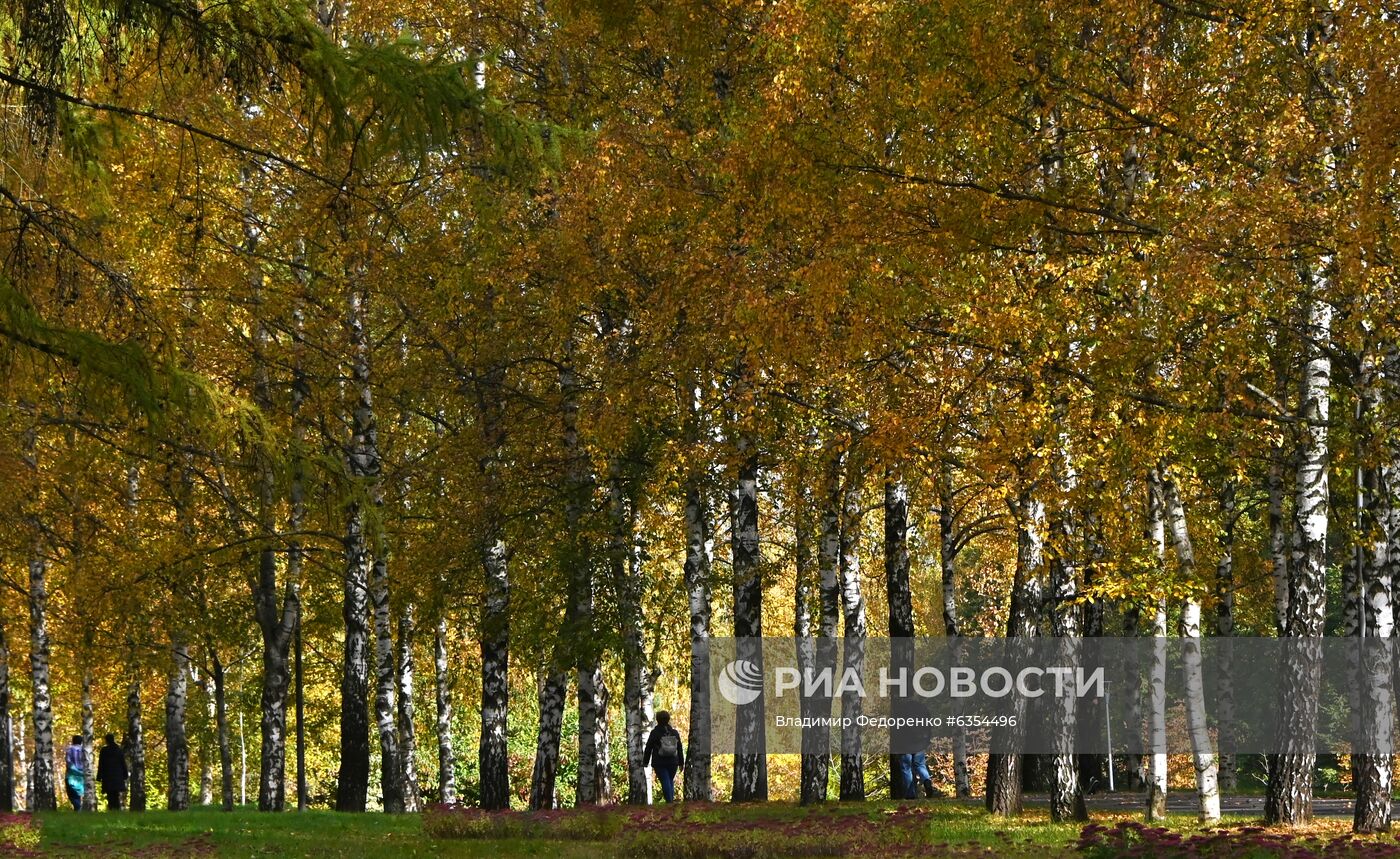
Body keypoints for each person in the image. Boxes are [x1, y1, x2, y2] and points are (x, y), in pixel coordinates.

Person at [642, 710, 684, 802]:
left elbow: (648, 747)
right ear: (668, 719)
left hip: (659, 762)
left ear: (657, 720)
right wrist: (681, 762)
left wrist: (645, 761)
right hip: (673, 761)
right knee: (669, 780)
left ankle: (669, 802)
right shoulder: (674, 733)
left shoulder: (655, 733)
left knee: (665, 780)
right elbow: (680, 748)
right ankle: (670, 801)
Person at [97, 733, 129, 811]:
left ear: (106, 740)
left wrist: (99, 776)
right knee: (116, 793)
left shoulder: (104, 750)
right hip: (118, 775)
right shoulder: (118, 750)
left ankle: (112, 808)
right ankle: (116, 808)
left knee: (110, 793)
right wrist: (125, 773)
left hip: (108, 775)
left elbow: (101, 763)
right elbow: (123, 763)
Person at [64, 735, 87, 811]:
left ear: (73, 741)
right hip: (82, 776)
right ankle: (78, 810)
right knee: (78, 793)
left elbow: (68, 762)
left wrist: (75, 770)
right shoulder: (84, 750)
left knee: (71, 794)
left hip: (71, 775)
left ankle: (78, 808)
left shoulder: (69, 749)